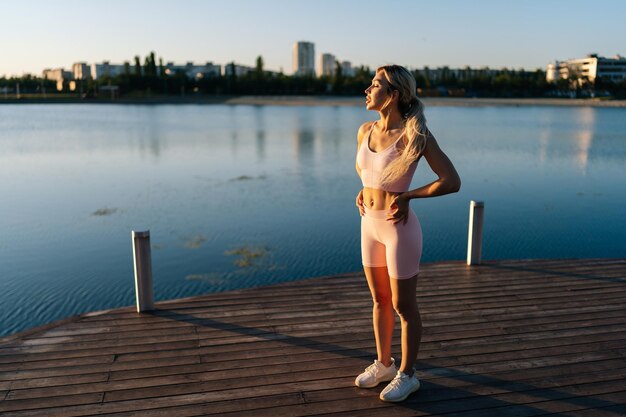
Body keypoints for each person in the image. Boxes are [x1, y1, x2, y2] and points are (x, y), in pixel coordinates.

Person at [354, 65, 461, 402]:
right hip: (369, 225)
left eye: (375, 84)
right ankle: (384, 364)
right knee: (379, 300)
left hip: (398, 228)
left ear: (394, 94)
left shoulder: (414, 136)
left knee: (403, 305)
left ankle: (408, 374)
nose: (368, 89)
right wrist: (364, 191)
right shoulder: (364, 131)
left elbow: (451, 181)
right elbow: (370, 172)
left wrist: (411, 195)